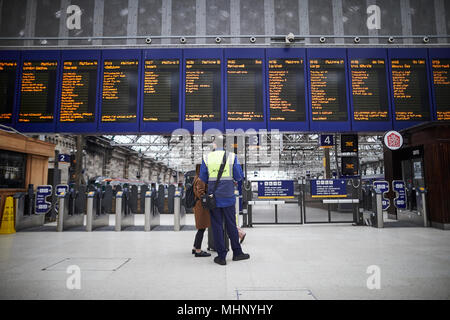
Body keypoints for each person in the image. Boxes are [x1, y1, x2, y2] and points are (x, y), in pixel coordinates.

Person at [199, 135, 250, 266]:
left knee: (216, 226)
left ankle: (221, 256)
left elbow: (203, 178)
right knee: (231, 225)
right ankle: (237, 253)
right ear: (225, 145)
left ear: (214, 144)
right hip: (228, 197)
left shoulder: (207, 157)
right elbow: (239, 177)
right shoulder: (232, 157)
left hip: (213, 198)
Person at [191, 164, 211, 257]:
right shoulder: (201, 179)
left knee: (200, 227)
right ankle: (198, 250)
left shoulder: (196, 178)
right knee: (202, 228)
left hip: (198, 205)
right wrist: (208, 196)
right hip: (201, 206)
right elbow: (200, 193)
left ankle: (195, 247)